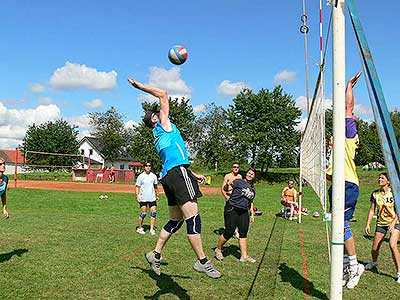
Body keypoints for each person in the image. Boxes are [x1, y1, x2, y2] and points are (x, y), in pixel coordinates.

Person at [128, 78, 221, 279]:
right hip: (177, 174)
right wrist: (140, 87)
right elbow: (163, 93)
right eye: (158, 112)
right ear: (155, 118)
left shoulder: (158, 137)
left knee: (175, 220)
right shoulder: (164, 124)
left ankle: (155, 254)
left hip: (171, 175)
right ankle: (202, 261)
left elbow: (174, 159)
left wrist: (193, 174)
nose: (162, 112)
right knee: (193, 218)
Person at [326, 71, 364, 289]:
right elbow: (330, 175)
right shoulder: (335, 149)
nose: (348, 118)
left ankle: (354, 264)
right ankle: (344, 267)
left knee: (343, 224)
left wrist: (349, 86)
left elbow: (348, 108)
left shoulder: (349, 136)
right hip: (338, 186)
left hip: (348, 184)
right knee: (337, 227)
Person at [214, 168, 256, 263]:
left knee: (243, 233)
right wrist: (227, 185)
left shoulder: (253, 189)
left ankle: (244, 256)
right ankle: (218, 249)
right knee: (229, 231)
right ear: (246, 173)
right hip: (232, 208)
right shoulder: (239, 182)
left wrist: (252, 214)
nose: (250, 175)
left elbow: (251, 202)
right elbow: (227, 189)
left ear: (254, 177)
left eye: (252, 174)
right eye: (249, 173)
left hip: (244, 212)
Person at [364, 173, 400, 283]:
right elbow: (372, 210)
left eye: (382, 178)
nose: (380, 179)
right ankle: (374, 262)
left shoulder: (394, 193)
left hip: (395, 223)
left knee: (392, 245)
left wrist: (393, 223)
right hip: (381, 223)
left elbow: (399, 210)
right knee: (375, 249)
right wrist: (368, 224)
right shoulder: (375, 194)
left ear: (388, 181)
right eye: (379, 177)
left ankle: (399, 273)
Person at [135, 162, 159, 236]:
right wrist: (137, 196)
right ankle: (139, 228)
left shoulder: (154, 176)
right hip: (143, 198)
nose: (148, 167)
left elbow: (155, 186)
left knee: (153, 213)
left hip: (152, 197)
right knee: (143, 213)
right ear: (144, 167)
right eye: (146, 166)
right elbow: (137, 187)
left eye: (149, 166)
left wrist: (157, 195)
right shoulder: (141, 176)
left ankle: (151, 229)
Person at [221, 162, 242, 238]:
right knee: (229, 214)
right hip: (229, 197)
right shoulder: (228, 176)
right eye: (234, 167)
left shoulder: (240, 177)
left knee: (237, 214)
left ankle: (236, 231)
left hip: (237, 198)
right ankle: (227, 228)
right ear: (231, 168)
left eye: (237, 167)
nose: (236, 168)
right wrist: (226, 197)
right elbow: (223, 189)